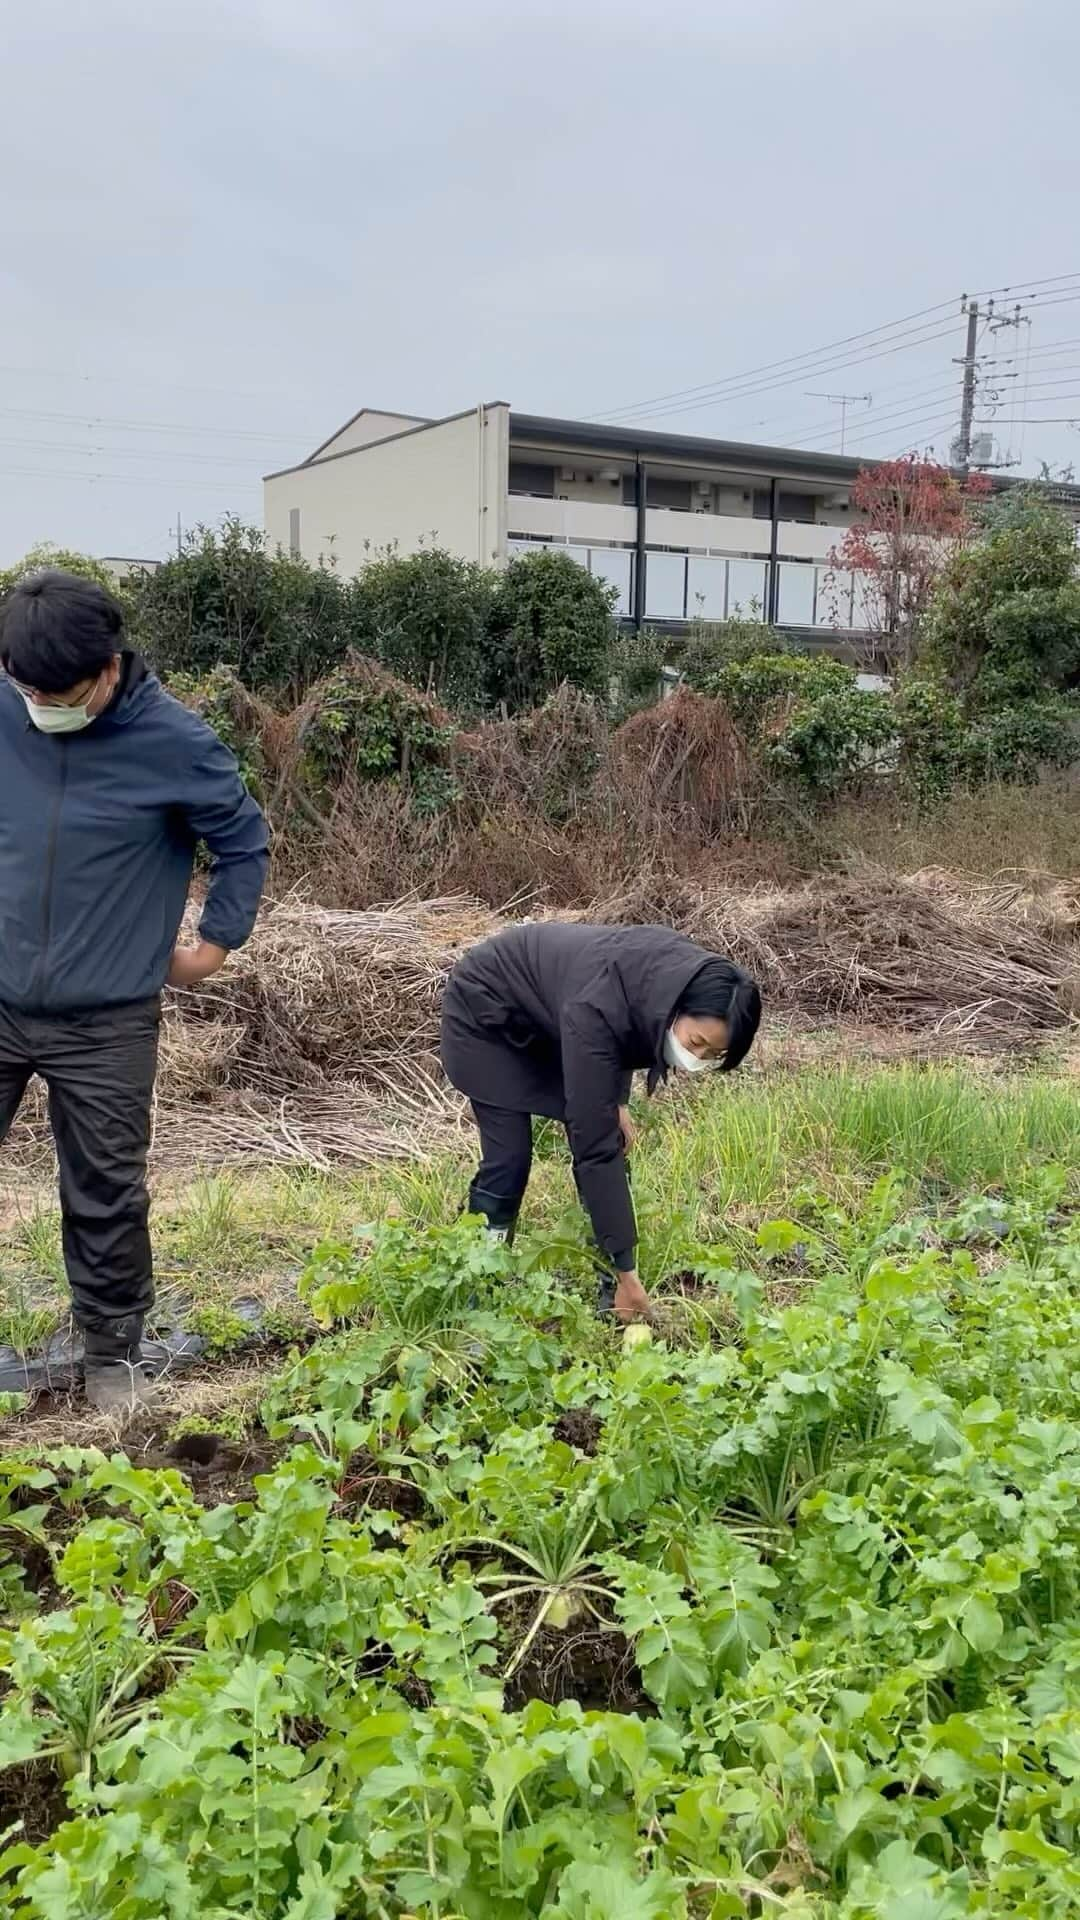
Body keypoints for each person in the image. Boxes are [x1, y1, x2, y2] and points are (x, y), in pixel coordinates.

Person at [0, 570, 269, 1412]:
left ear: (110, 667)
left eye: (59, 691)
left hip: (107, 1016)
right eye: (25, 686)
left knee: (106, 1190)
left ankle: (110, 1351)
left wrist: (214, 946)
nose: (40, 702)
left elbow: (243, 840)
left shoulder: (174, 740)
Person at [441, 921, 761, 1322]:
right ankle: (478, 1277)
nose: (699, 1056)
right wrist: (629, 1269)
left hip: (553, 1015)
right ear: (677, 1010)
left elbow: (628, 1028)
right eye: (697, 1043)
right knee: (511, 1159)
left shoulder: (670, 978)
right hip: (487, 1013)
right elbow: (593, 1148)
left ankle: (608, 1288)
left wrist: (618, 1102)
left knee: (610, 1133)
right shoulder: (595, 1010)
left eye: (715, 1053)